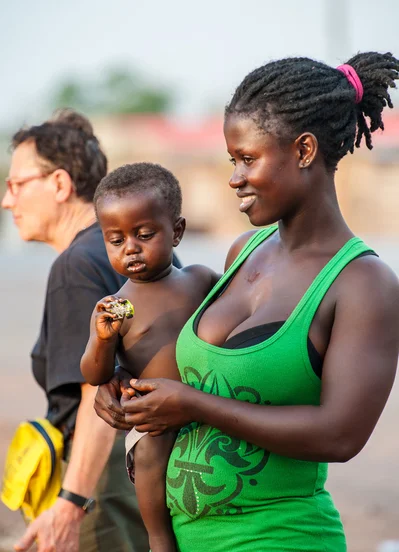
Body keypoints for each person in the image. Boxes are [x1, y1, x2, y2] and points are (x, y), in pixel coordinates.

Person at [94, 52, 399, 552]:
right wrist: (124, 383)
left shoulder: (363, 283)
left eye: (247, 159)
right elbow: (188, 363)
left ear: (303, 150)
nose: (234, 177)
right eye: (232, 160)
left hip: (280, 538)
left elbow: (340, 435)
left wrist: (192, 404)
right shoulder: (243, 252)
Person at [1, 110, 168, 552]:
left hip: (106, 476)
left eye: (16, 185)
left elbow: (95, 392)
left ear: (59, 185)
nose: (6, 200)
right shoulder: (131, 252)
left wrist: (71, 502)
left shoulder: (74, 266)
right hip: (156, 457)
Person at [80, 162, 219, 552]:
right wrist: (104, 340)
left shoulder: (200, 279)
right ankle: (159, 539)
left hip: (205, 400)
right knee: (150, 454)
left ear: (176, 231)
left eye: (144, 235)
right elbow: (93, 372)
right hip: (153, 413)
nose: (131, 249)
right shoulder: (114, 307)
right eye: (116, 240)